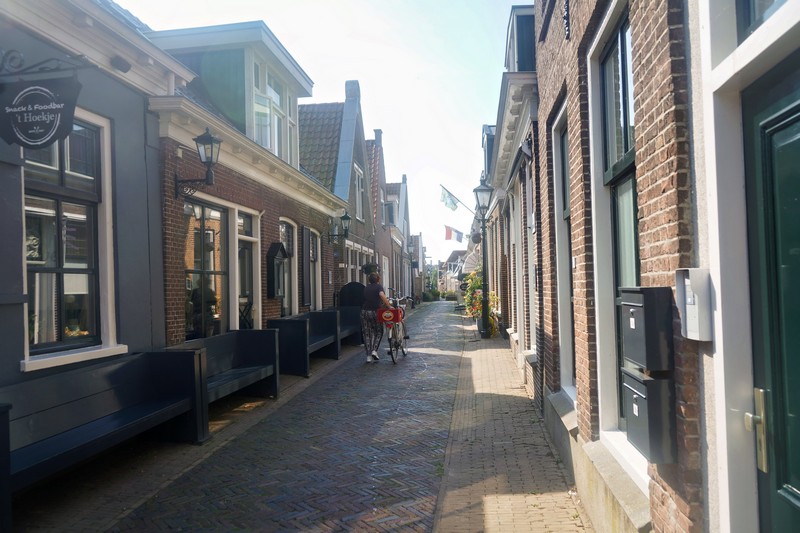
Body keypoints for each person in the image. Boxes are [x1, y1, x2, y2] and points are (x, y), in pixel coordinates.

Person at [361, 272, 393, 363]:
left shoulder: (366, 288)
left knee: (367, 333)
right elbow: (381, 295)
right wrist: (389, 306)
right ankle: (374, 351)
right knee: (379, 331)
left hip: (364, 312)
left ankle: (368, 356)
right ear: (378, 279)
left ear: (369, 280)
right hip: (375, 312)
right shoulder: (379, 287)